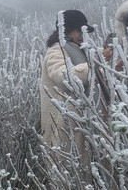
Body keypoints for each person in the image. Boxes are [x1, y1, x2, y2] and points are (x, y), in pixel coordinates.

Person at [39, 9, 93, 165]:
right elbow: (65, 77)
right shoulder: (57, 50)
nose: (82, 35)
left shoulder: (78, 50)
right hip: (63, 126)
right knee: (67, 169)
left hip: (76, 123)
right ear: (67, 30)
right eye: (79, 31)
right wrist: (95, 66)